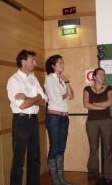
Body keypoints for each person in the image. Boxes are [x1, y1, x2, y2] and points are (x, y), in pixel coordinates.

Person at [7, 50, 47, 185]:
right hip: (21, 120)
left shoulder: (33, 78)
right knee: (19, 159)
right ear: (23, 62)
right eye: (32, 60)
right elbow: (22, 106)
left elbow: (44, 101)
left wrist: (29, 98)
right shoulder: (14, 80)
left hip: (33, 120)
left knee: (35, 158)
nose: (35, 63)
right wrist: (37, 98)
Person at [44, 55, 74, 185]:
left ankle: (61, 178)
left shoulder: (62, 79)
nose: (62, 64)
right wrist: (65, 94)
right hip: (54, 117)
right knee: (54, 147)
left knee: (61, 148)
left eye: (63, 62)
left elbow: (71, 96)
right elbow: (55, 99)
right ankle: (55, 179)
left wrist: (67, 82)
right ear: (53, 65)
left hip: (64, 116)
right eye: (60, 62)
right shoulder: (49, 79)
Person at [83, 68, 112, 183]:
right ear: (94, 77)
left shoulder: (110, 88)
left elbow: (109, 103)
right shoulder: (87, 89)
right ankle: (93, 174)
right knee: (93, 149)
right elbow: (86, 104)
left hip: (106, 121)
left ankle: (110, 175)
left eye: (104, 75)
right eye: (100, 74)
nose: (103, 76)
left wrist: (95, 104)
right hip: (91, 122)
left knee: (108, 148)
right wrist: (101, 106)